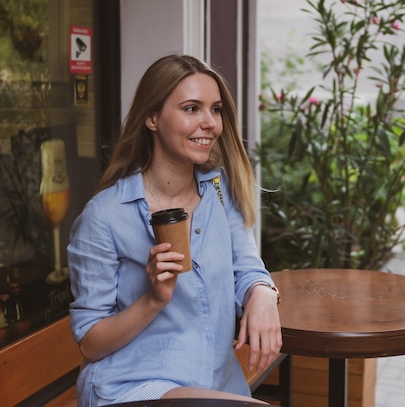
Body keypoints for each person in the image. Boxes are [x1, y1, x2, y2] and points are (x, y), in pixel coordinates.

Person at [68, 54, 282, 406]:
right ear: (152, 117)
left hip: (216, 384)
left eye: (215, 110)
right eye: (191, 108)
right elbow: (90, 342)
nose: (210, 123)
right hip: (133, 385)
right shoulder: (105, 215)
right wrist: (154, 298)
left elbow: (246, 267)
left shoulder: (219, 190)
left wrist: (262, 294)